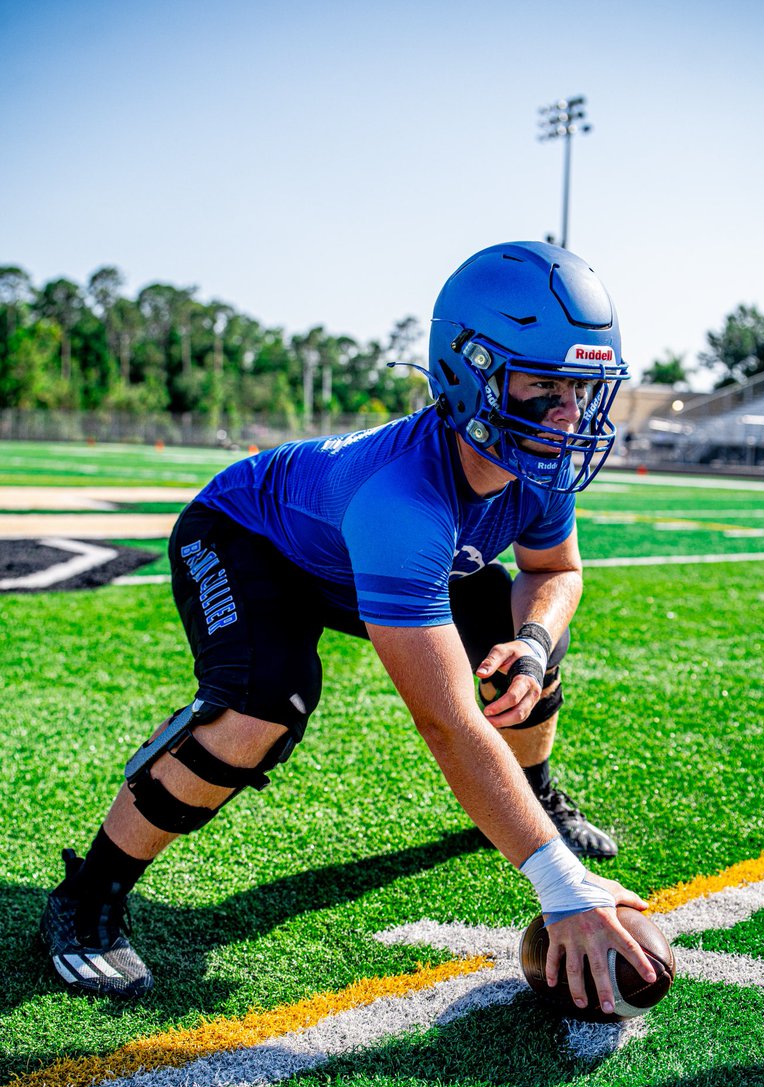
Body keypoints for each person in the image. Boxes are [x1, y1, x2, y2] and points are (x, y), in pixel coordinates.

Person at [42, 241, 658, 1011]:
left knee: (522, 654)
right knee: (262, 706)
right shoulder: (401, 500)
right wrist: (561, 886)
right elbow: (446, 723)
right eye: (543, 385)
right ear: (469, 372)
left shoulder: (534, 460)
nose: (569, 415)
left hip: (369, 549)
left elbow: (554, 573)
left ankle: (537, 791)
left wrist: (532, 644)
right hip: (252, 538)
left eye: (583, 388)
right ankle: (88, 894)